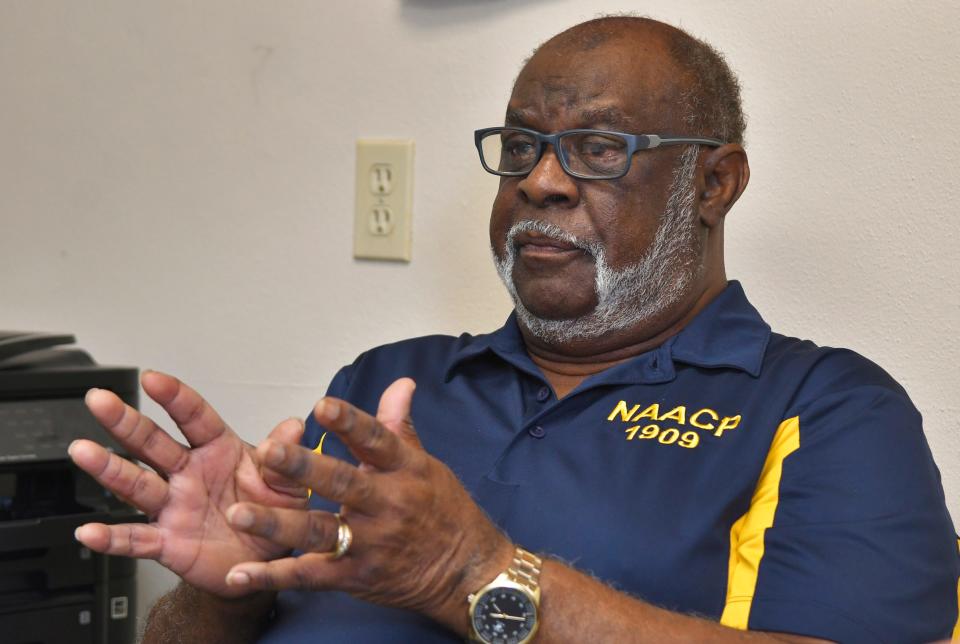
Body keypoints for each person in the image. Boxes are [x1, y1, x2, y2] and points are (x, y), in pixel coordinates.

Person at [67, 16, 959, 644]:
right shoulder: (389, 383)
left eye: (600, 150)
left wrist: (470, 571)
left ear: (715, 185)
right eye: (523, 146)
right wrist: (226, 590)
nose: (541, 181)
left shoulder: (829, 407)